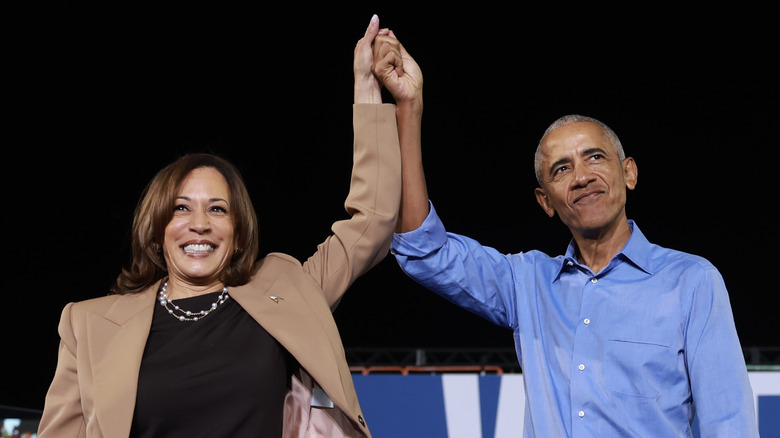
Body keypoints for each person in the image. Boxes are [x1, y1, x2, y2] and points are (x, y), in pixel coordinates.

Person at [38, 14, 408, 438]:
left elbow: (374, 220)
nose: (199, 225)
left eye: (217, 210)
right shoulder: (87, 325)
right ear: (157, 230)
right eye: (180, 209)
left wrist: (366, 87)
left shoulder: (288, 288)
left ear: (238, 232)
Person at [374, 34, 760, 436]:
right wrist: (408, 107)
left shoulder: (692, 281)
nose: (581, 177)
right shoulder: (527, 283)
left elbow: (730, 423)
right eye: (561, 169)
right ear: (546, 202)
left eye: (595, 157)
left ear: (628, 172)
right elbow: (424, 249)